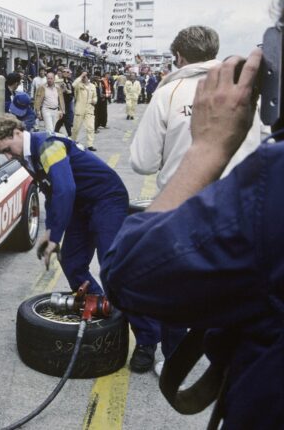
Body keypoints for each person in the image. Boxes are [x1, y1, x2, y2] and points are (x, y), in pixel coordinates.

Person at [102, 47, 282, 427]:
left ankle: (153, 349)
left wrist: (206, 148)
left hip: (196, 217)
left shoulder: (169, 92)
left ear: (178, 54)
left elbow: (127, 272)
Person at [0, 114, 161, 373]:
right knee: (72, 262)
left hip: (105, 199)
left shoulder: (48, 145)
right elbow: (52, 192)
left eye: (7, 150)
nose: (9, 157)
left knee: (113, 268)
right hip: (81, 205)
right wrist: (49, 230)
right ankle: (103, 308)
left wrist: (55, 237)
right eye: (4, 154)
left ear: (14, 133)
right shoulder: (27, 156)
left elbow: (65, 189)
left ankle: (147, 340)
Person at [130, 25, 262, 190]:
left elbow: (143, 163)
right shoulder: (245, 89)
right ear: (214, 51)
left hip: (183, 200)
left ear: (179, 57)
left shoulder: (166, 94)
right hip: (242, 199)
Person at [71, 70, 98, 151]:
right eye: (82, 76)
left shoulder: (92, 86)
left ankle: (90, 145)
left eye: (84, 76)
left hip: (89, 109)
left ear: (88, 77)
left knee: (90, 127)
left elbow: (95, 96)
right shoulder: (78, 85)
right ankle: (73, 142)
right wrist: (81, 76)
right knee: (76, 128)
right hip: (79, 109)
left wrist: (94, 100)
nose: (83, 78)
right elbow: (73, 84)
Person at [54, 68, 74, 136]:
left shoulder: (70, 81)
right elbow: (58, 91)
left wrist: (70, 92)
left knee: (64, 118)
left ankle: (56, 131)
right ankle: (69, 133)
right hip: (62, 101)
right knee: (64, 118)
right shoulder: (59, 81)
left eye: (68, 72)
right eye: (65, 72)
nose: (67, 73)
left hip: (69, 101)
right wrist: (65, 90)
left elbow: (72, 91)